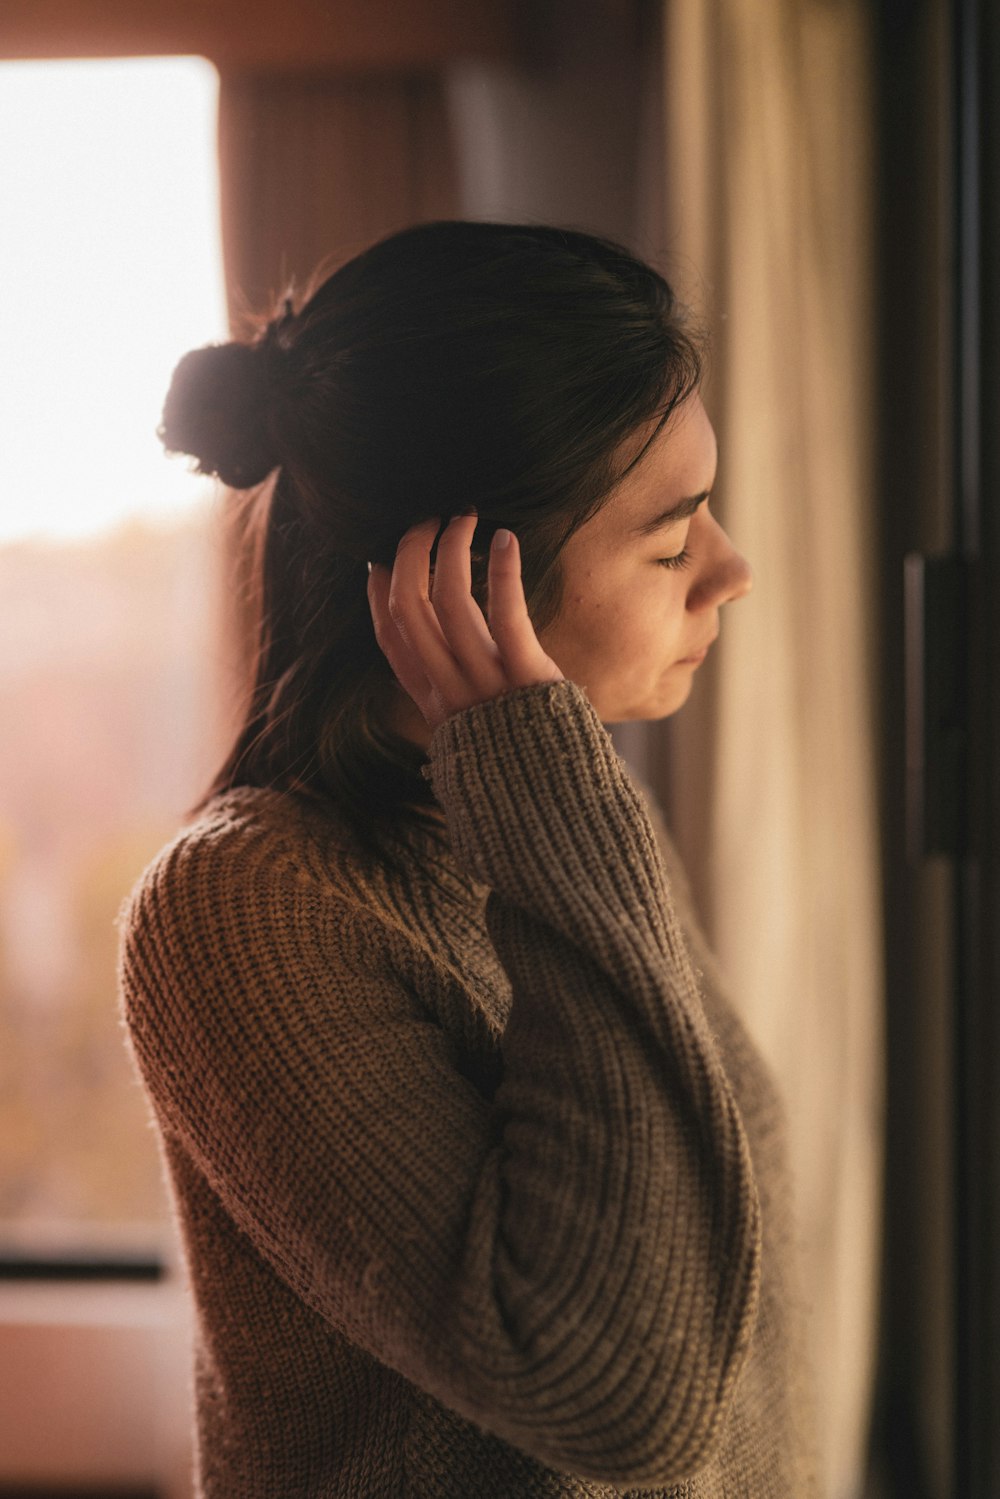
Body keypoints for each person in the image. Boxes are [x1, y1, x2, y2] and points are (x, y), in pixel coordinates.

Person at [119, 221, 818, 1497]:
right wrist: (537, 773)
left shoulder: (563, 828)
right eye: (670, 542)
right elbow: (620, 1394)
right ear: (455, 579)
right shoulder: (243, 909)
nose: (731, 570)